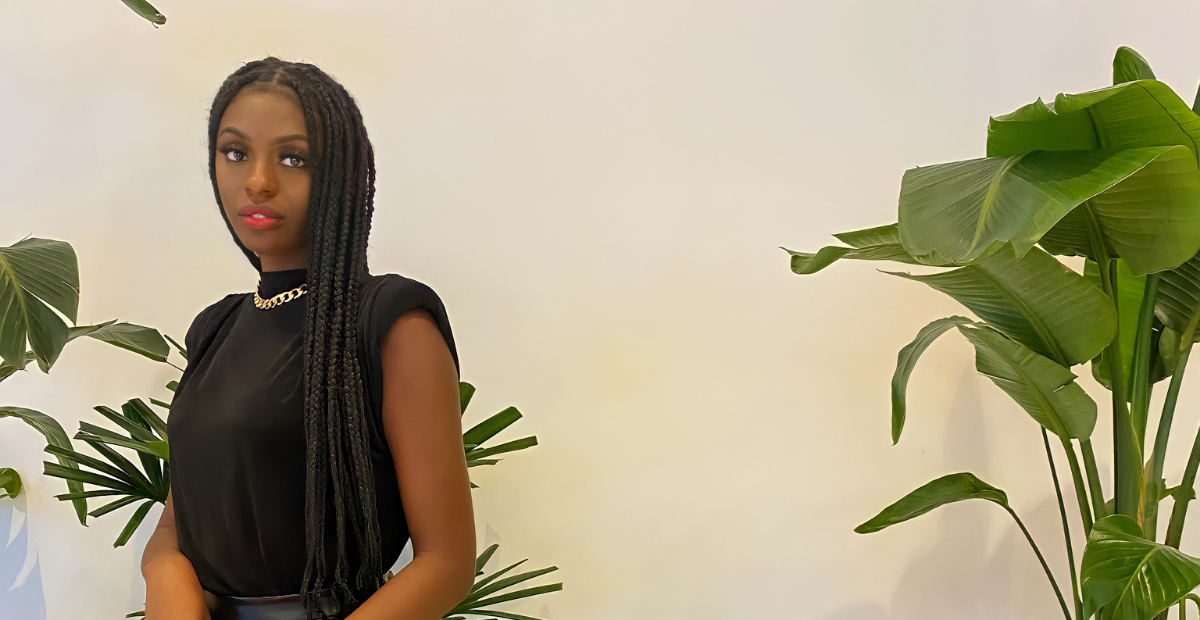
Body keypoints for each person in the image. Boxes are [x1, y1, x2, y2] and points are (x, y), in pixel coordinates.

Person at [138, 57, 477, 620]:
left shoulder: (390, 320)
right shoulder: (215, 328)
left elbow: (446, 562)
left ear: (342, 175)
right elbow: (177, 523)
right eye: (235, 152)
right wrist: (164, 574)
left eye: (293, 159)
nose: (257, 181)